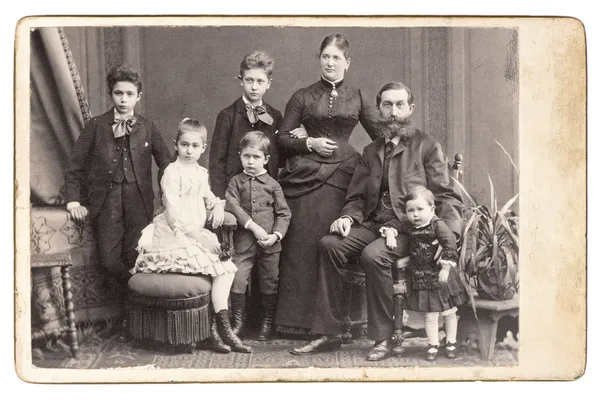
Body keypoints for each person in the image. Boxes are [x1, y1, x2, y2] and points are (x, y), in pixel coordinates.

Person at [289, 81, 464, 362]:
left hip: (410, 229)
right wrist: (348, 217)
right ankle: (330, 332)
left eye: (399, 105)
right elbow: (356, 196)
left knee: (374, 256)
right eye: (387, 105)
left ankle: (381, 338)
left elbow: (446, 196)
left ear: (410, 109)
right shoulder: (371, 151)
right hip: (372, 223)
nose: (393, 112)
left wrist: (449, 238)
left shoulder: (426, 146)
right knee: (329, 244)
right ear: (379, 110)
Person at [274, 33, 379, 337]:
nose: (330, 62)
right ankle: (295, 323)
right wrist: (309, 142)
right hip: (304, 178)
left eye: (336, 58)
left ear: (347, 62)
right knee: (302, 246)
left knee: (331, 243)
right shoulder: (302, 96)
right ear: (318, 59)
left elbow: (380, 138)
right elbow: (281, 139)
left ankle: (334, 323)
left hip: (343, 177)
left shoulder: (357, 96)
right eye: (325, 56)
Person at [64, 64, 172, 336]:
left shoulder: (148, 128)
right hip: (106, 202)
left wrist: (168, 199)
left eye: (129, 94)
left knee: (135, 257)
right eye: (118, 93)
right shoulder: (96, 126)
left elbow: (168, 167)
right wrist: (74, 201)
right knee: (109, 260)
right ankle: (138, 305)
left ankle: (132, 319)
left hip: (139, 201)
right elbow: (75, 167)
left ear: (139, 96)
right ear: (110, 94)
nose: (123, 99)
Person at [132, 118, 251, 354]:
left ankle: (221, 329)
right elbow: (174, 214)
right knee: (220, 266)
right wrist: (200, 236)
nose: (189, 150)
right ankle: (216, 332)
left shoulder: (199, 172)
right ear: (175, 145)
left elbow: (209, 196)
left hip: (194, 233)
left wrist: (217, 206)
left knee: (227, 269)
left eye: (195, 146)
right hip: (174, 234)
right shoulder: (171, 173)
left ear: (203, 148)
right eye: (184, 145)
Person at [382, 186, 467, 361]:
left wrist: (445, 268)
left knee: (449, 311)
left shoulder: (438, 225)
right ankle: (433, 345)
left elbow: (450, 243)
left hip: (442, 277)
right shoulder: (410, 226)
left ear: (432, 209)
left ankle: (451, 342)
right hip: (423, 277)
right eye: (410, 210)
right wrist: (390, 232)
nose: (415, 215)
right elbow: (396, 224)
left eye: (420, 209)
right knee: (430, 314)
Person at [209, 50, 305, 199]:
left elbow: (281, 158)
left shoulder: (275, 116)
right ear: (241, 80)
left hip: (266, 193)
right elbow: (216, 162)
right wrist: (220, 198)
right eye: (249, 80)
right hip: (235, 192)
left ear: (269, 83)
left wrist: (298, 137)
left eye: (260, 81)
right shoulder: (227, 115)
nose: (254, 87)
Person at [225, 131, 292, 341]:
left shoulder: (273, 185)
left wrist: (276, 235)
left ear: (266, 159)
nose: (251, 162)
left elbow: (284, 213)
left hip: (270, 244)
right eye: (246, 156)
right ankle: (239, 321)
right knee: (237, 280)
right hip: (243, 242)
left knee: (269, 281)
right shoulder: (236, 182)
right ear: (240, 156)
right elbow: (232, 205)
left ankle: (267, 322)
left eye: (256, 157)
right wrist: (252, 226)